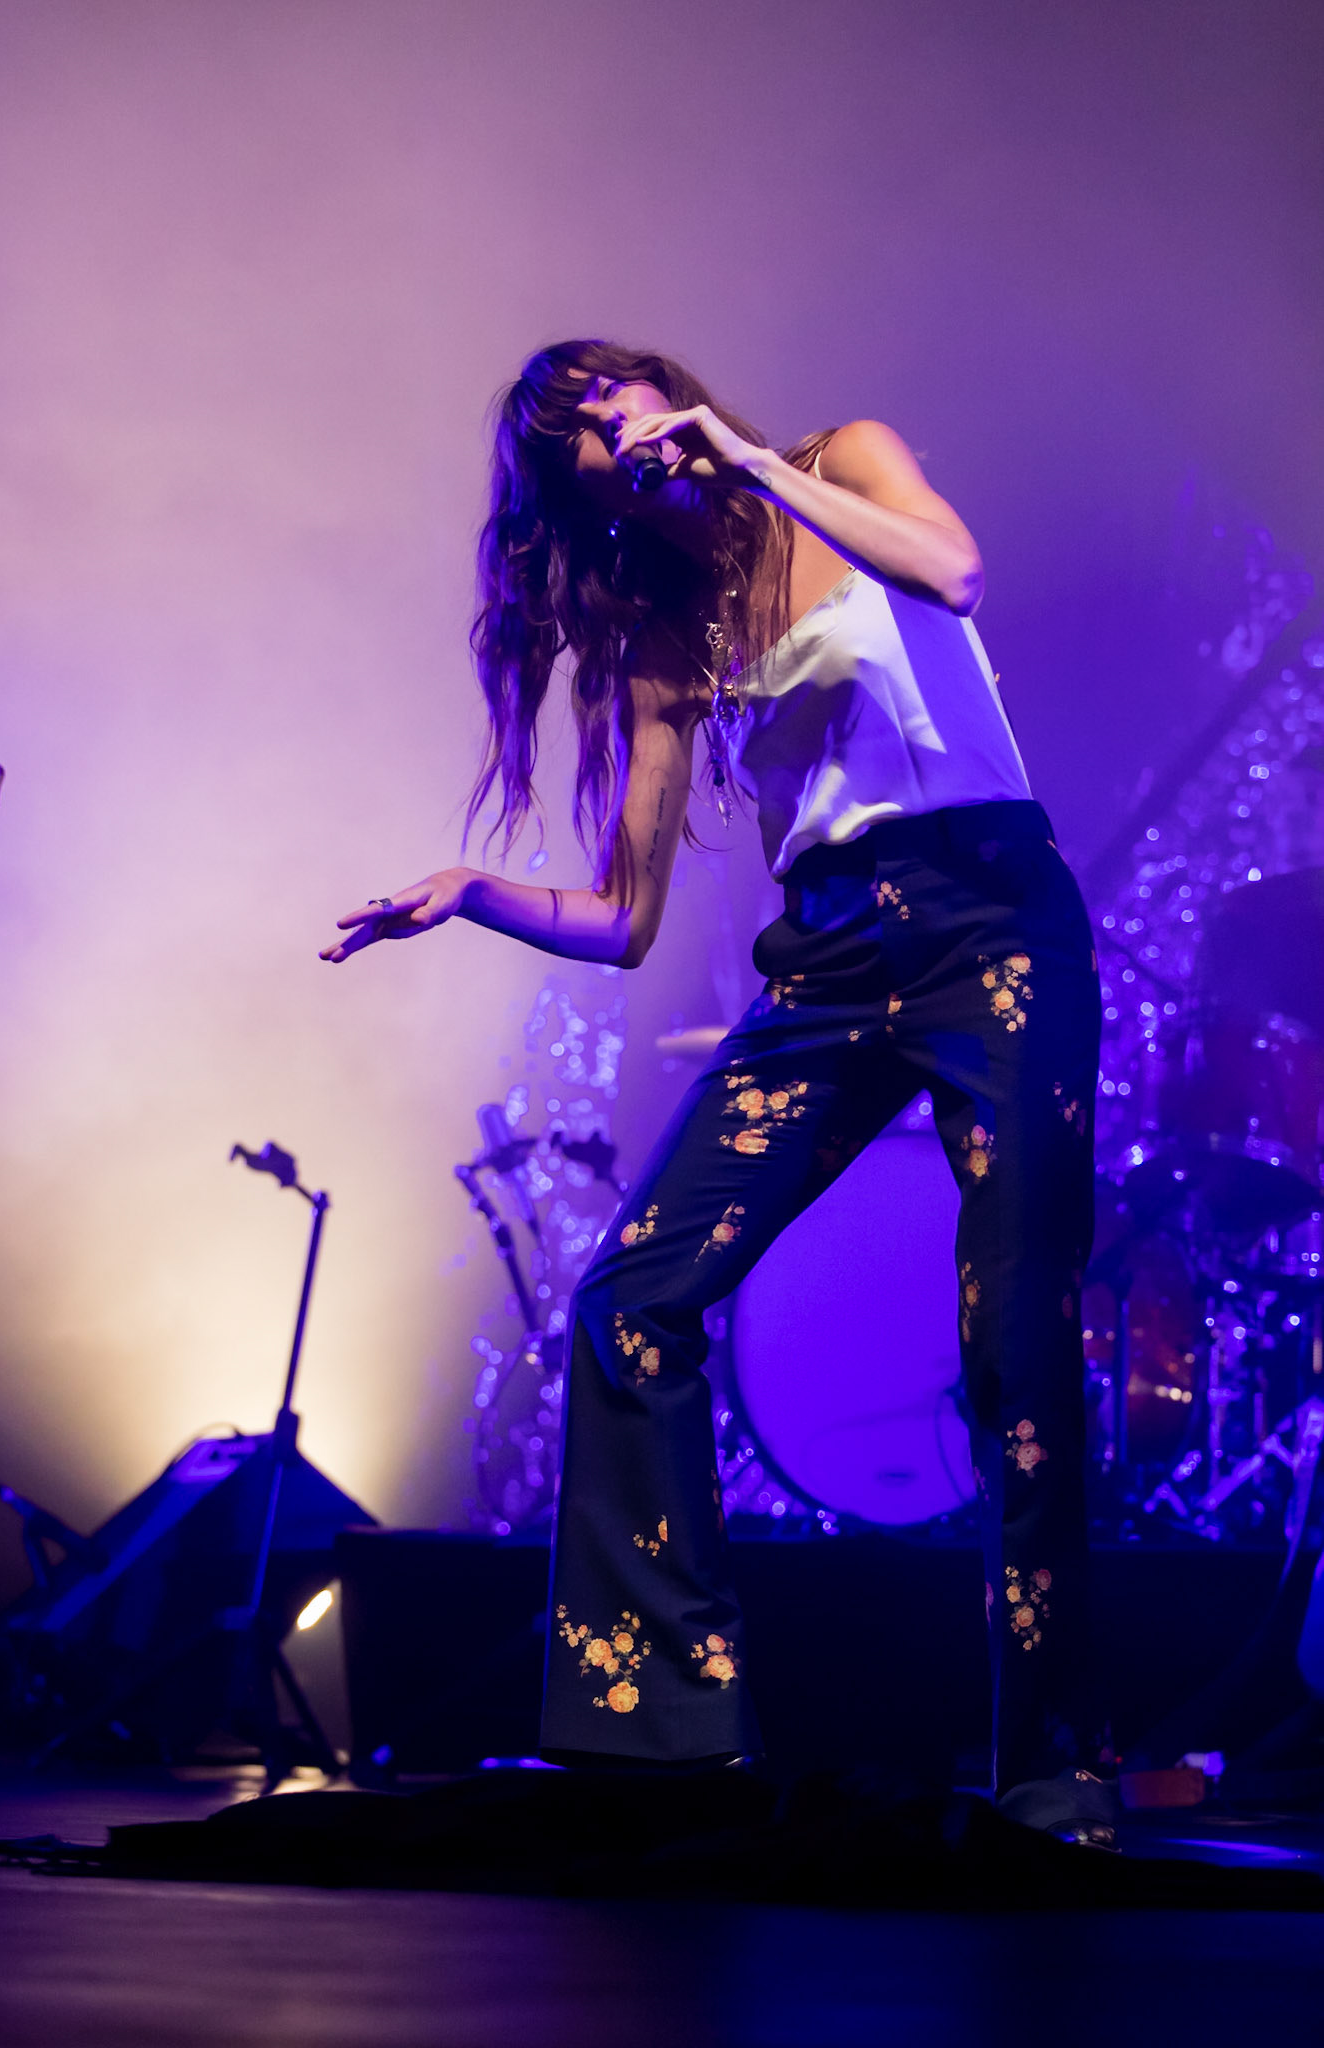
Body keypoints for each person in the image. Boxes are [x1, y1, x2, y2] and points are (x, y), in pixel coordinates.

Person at [322, 340, 1113, 1843]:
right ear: (597, 500)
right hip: (825, 955)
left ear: (671, 392)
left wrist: (760, 468)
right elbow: (620, 923)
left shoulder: (844, 459)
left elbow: (952, 573)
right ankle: (663, 1735)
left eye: (626, 398)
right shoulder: (669, 643)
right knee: (630, 1297)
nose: (629, 435)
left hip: (992, 916)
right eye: (593, 448)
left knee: (1013, 1341)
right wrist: (473, 890)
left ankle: (1049, 1763)